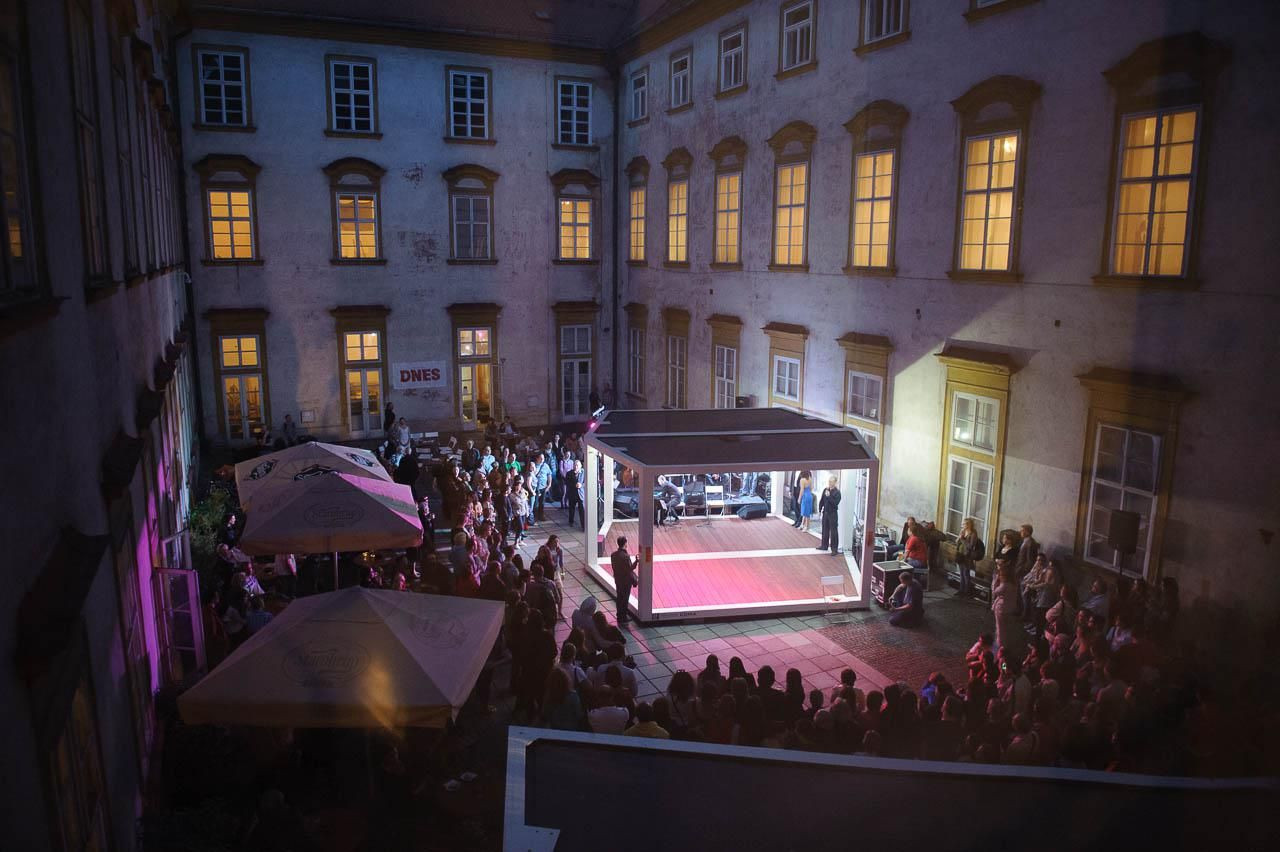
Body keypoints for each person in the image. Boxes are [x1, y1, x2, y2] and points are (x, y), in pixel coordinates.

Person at [991, 559, 1022, 657]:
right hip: (1010, 608)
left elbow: (994, 591)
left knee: (1000, 629)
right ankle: (1005, 646)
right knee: (1006, 629)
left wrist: (995, 581)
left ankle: (1001, 650)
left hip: (1002, 609)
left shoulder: (1004, 585)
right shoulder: (1014, 584)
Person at [610, 536, 638, 624]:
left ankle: (619, 615)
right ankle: (623, 617)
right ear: (625, 543)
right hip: (625, 581)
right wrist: (636, 561)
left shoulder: (613, 555)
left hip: (618, 579)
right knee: (625, 599)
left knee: (619, 597)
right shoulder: (625, 556)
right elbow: (630, 569)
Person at [954, 517, 984, 598]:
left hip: (967, 556)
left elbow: (970, 546)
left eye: (964, 524)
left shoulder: (973, 534)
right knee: (961, 574)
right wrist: (959, 539)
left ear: (968, 525)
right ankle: (961, 590)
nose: (962, 525)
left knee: (966, 574)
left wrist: (963, 539)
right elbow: (957, 542)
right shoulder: (963, 531)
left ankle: (967, 591)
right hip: (960, 554)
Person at [817, 476, 841, 554]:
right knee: (825, 529)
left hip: (833, 514)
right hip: (825, 513)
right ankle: (824, 545)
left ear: (835, 482)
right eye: (829, 481)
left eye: (831, 482)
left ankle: (834, 549)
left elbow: (835, 503)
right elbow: (822, 500)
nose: (830, 483)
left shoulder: (837, 492)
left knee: (833, 532)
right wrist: (820, 509)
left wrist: (829, 496)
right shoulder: (826, 490)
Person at [565, 459, 585, 529]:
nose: (575, 467)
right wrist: (574, 485)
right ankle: (571, 522)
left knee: (582, 510)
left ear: (580, 466)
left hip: (580, 494)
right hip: (572, 494)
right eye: (574, 465)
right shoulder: (569, 473)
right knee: (571, 509)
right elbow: (567, 483)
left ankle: (583, 525)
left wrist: (581, 485)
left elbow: (586, 482)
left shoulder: (584, 472)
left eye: (577, 465)